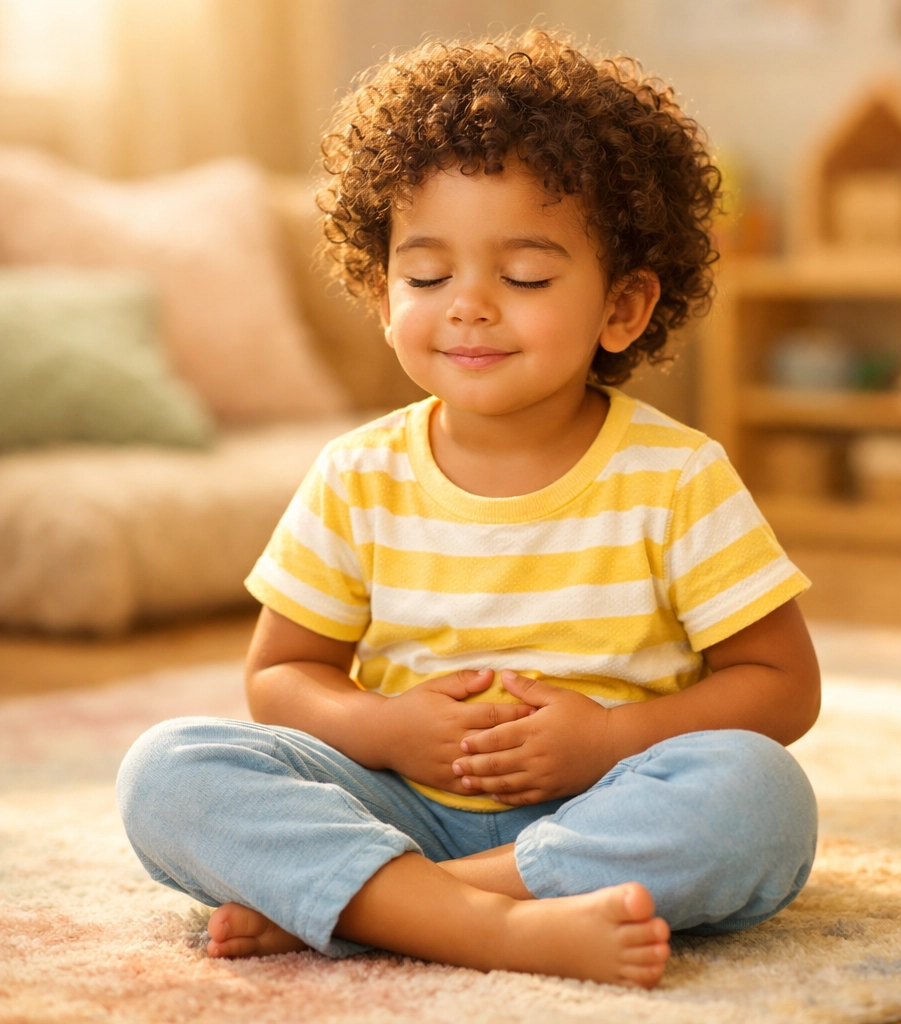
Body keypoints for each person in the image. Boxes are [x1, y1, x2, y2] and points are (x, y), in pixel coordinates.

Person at [116, 29, 820, 990]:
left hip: (603, 805)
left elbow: (781, 686)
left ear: (622, 308)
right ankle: (489, 923)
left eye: (524, 276)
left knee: (759, 799)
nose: (469, 306)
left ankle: (388, 906)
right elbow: (281, 676)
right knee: (168, 769)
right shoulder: (356, 475)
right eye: (426, 275)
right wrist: (386, 730)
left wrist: (609, 741)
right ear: (381, 293)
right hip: (394, 802)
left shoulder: (677, 475)